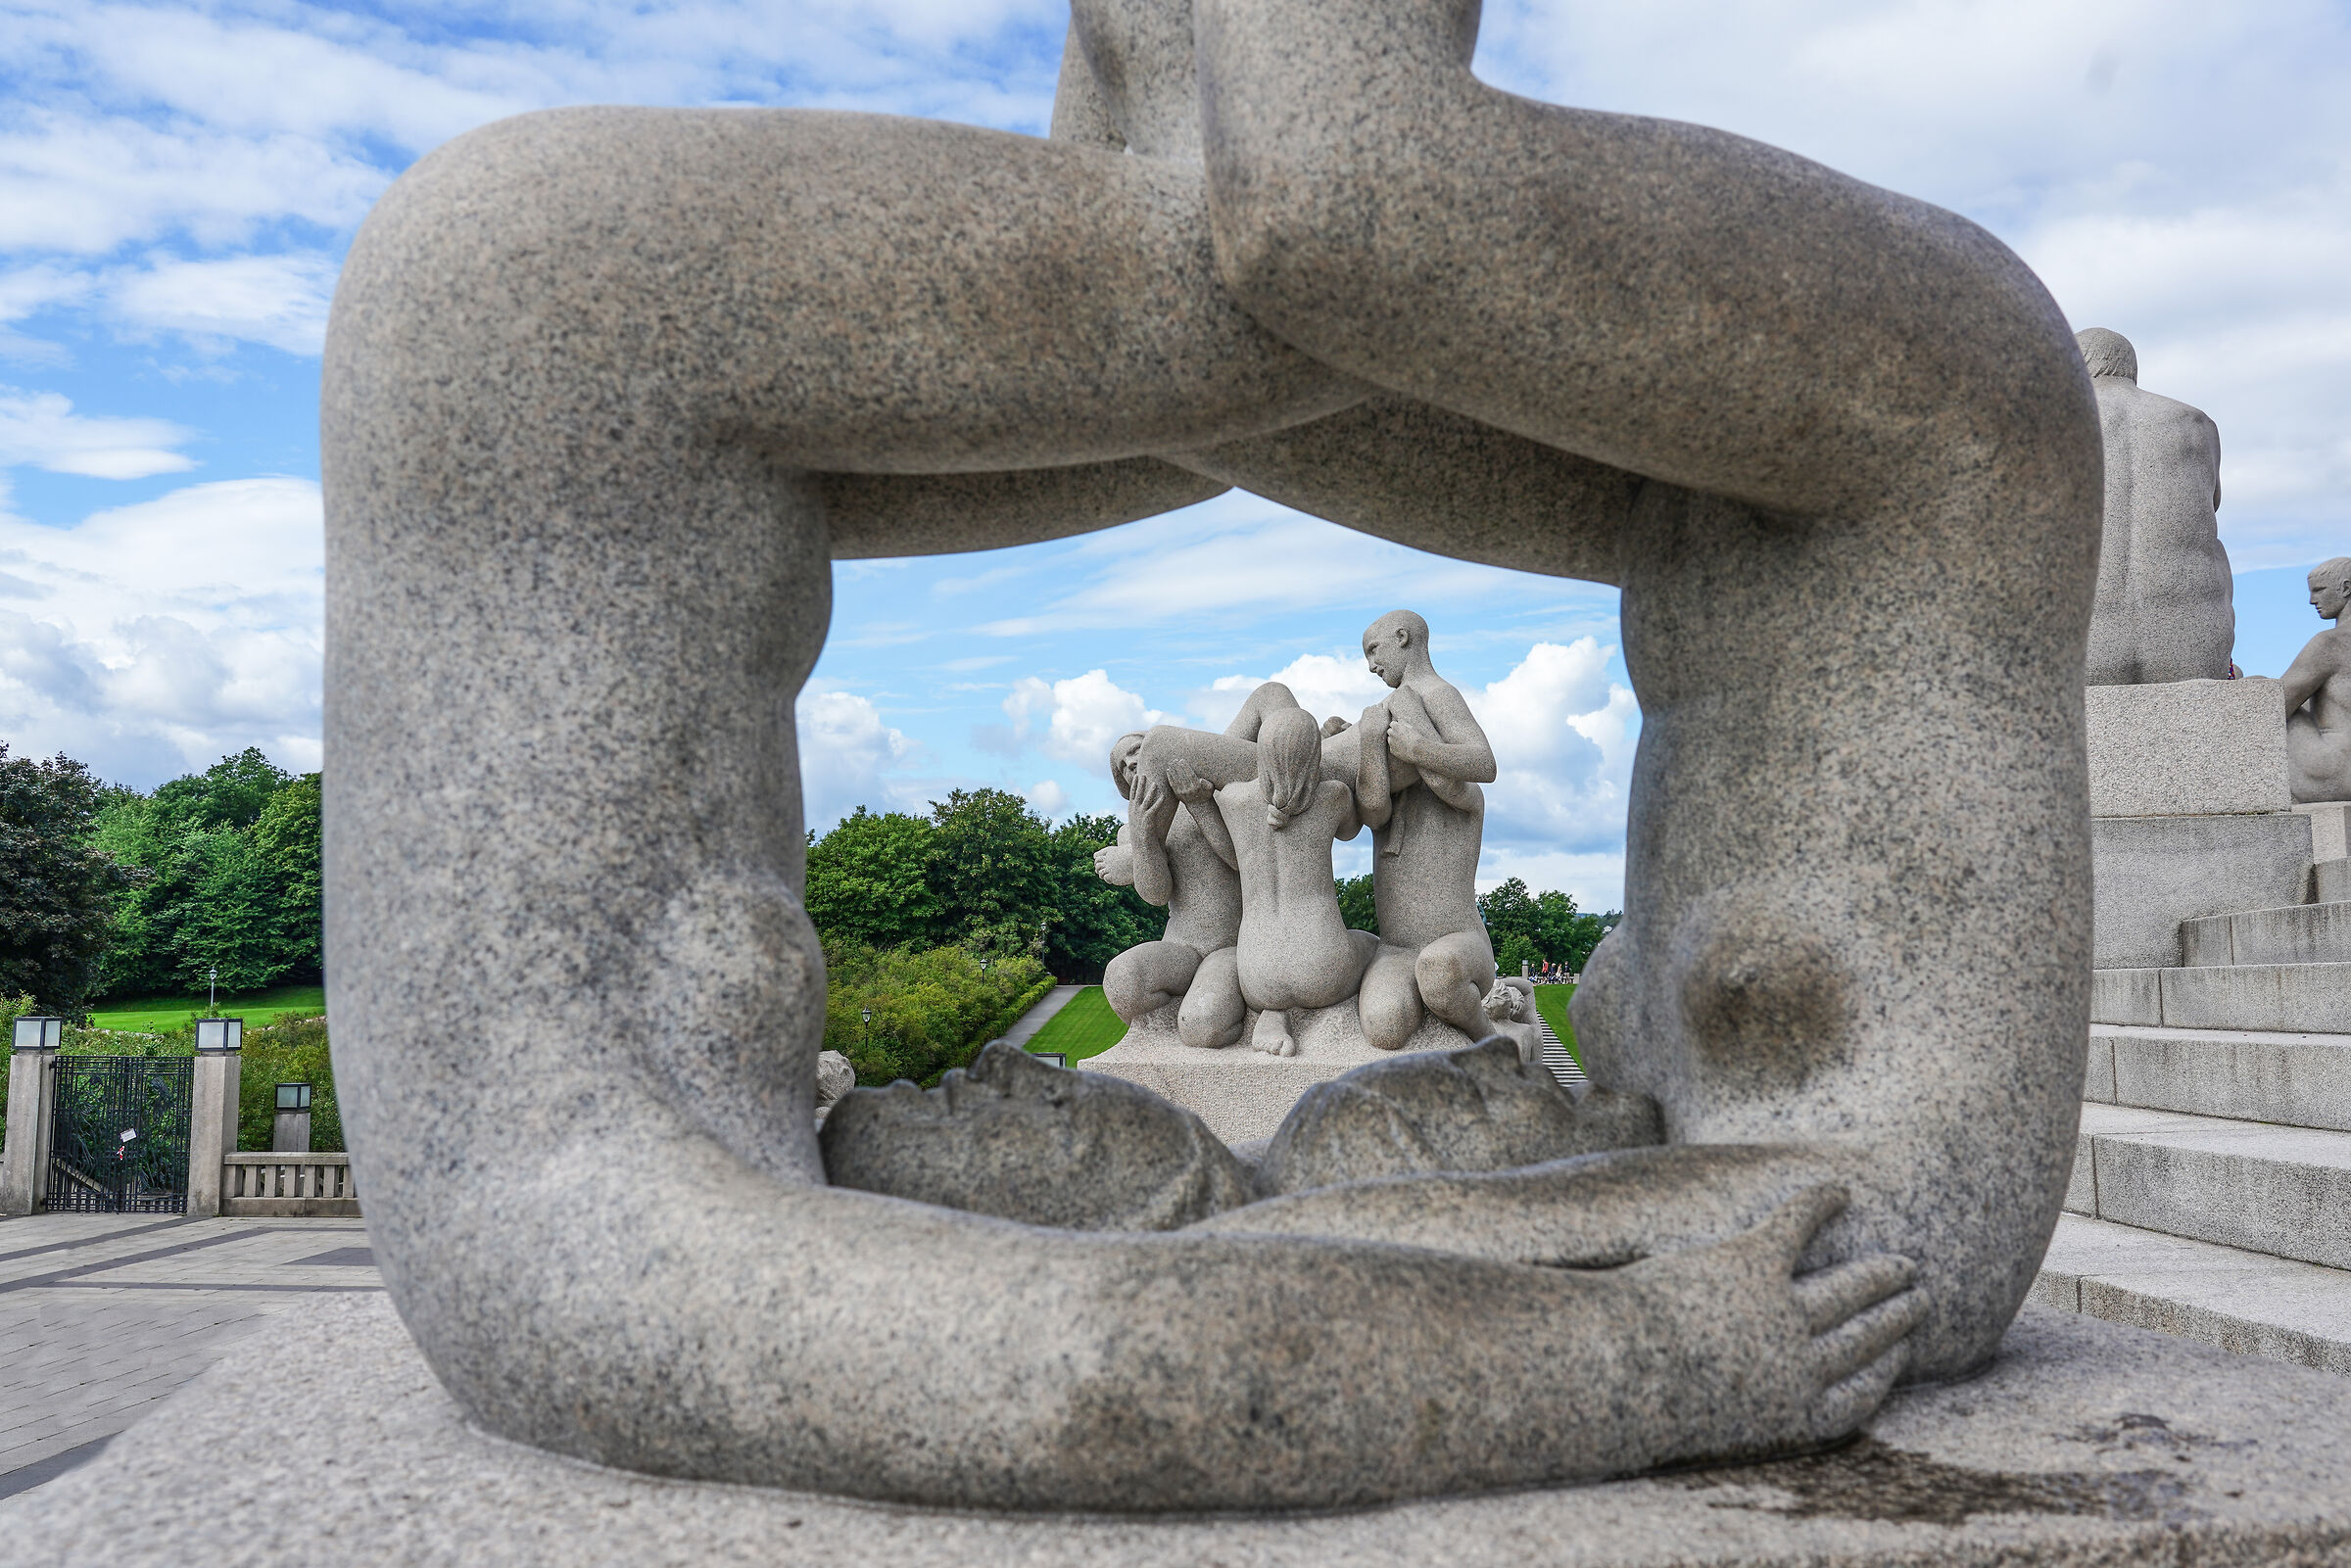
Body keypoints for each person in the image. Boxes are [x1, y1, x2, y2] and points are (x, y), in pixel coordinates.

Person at [1164, 709, 1376, 1056]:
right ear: (1315, 755)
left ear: (1260, 751)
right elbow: (1353, 828)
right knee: (1373, 944)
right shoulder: (1333, 795)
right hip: (1323, 964)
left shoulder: (1232, 798)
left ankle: (1273, 1012)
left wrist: (1197, 803)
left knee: (1275, 982)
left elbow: (1232, 856)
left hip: (1258, 972)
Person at [1348, 609, 1499, 1049]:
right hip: (1397, 947)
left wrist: (1419, 748)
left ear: (1402, 637)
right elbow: (1371, 813)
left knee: (1439, 972)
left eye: (1373, 651)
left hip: (1457, 941)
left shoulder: (1436, 693)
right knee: (1384, 1025)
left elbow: (1483, 762)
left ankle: (1489, 1042)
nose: (1371, 665)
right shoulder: (1390, 721)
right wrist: (1365, 743)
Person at [2285, 555, 2351, 804]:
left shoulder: (2330, 644)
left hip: (2334, 773)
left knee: (2258, 692)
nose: (2312, 600)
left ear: (2346, 588)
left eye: (2320, 590)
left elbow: (2275, 705)